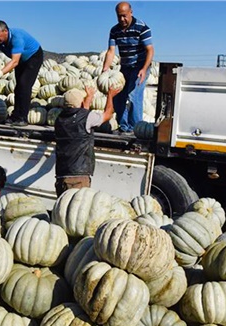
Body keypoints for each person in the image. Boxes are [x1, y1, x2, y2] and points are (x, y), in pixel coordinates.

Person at [54, 85, 121, 197]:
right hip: (78, 177)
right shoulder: (86, 118)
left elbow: (82, 113)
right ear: (80, 104)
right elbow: (108, 114)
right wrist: (110, 95)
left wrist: (89, 96)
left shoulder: (59, 119)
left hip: (61, 175)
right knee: (76, 211)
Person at [102, 1, 154, 134]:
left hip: (140, 66)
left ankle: (136, 129)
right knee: (118, 95)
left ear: (131, 12)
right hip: (125, 67)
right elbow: (111, 51)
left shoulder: (142, 28)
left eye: (124, 15)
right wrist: (105, 70)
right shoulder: (114, 30)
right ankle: (124, 127)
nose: (122, 19)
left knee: (133, 95)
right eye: (119, 16)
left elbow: (150, 50)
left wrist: (144, 69)